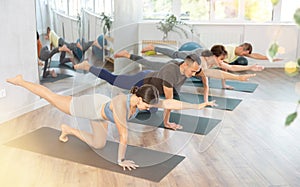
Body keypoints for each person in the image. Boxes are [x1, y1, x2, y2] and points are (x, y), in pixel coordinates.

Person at [6, 75, 216, 171]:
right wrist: (121, 160)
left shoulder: (145, 100)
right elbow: (123, 135)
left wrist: (198, 107)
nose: (149, 108)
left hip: (101, 114)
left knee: (98, 144)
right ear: (138, 98)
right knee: (51, 97)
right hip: (89, 106)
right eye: (147, 105)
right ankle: (21, 81)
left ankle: (67, 129)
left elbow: (170, 102)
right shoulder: (120, 105)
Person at [74, 53, 255, 130]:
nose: (195, 74)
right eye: (193, 71)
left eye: (196, 71)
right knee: (113, 79)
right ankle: (88, 66)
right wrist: (166, 123)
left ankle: (147, 107)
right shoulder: (171, 72)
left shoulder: (190, 68)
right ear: (185, 65)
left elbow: (212, 72)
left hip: (155, 89)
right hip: (142, 80)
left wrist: (238, 78)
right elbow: (168, 101)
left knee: (150, 109)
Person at [141, 44, 264, 89]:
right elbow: (224, 66)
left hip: (204, 59)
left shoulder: (219, 59)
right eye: (221, 60)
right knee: (175, 54)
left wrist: (250, 67)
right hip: (197, 54)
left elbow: (230, 68)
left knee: (204, 75)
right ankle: (153, 47)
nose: (223, 62)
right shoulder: (225, 51)